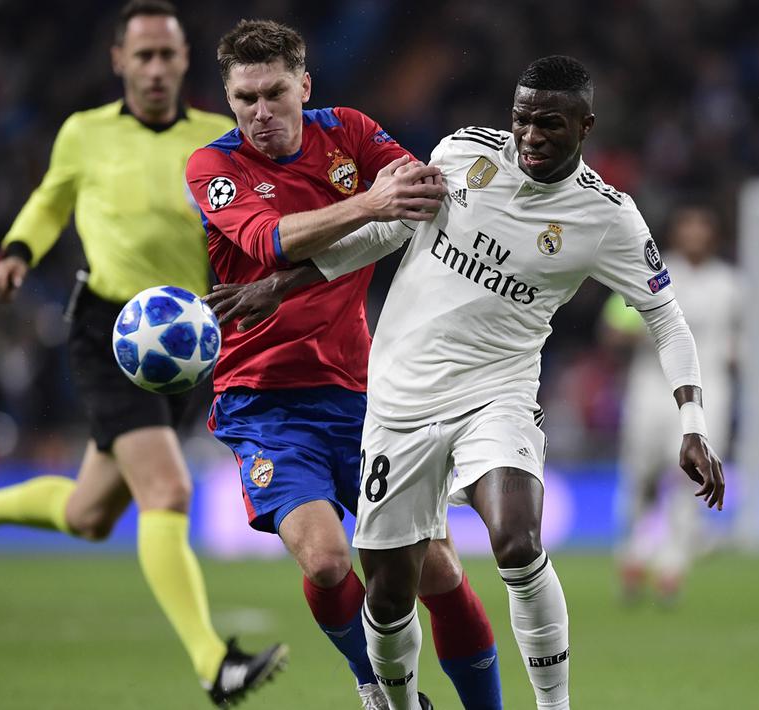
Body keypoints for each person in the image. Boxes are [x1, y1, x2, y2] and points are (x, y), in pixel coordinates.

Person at [209, 55, 726, 710]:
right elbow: (386, 229)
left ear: (584, 126)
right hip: (398, 400)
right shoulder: (460, 153)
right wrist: (281, 285)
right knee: (390, 593)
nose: (530, 136)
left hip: (497, 396)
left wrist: (693, 425)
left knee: (516, 540)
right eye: (521, 120)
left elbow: (667, 320)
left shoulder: (607, 217)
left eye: (549, 124)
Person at [0, 2, 286, 706]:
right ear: (119, 60)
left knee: (91, 514)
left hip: (190, 344)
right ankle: (215, 664)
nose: (155, 68)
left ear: (186, 62)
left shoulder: (218, 138)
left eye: (168, 55)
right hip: (108, 332)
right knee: (168, 490)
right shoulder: (84, 134)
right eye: (143, 55)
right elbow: (49, 200)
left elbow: (247, 224)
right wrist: (16, 252)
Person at [185, 20, 502, 710]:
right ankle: (381, 687)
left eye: (273, 93)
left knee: (437, 571)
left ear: (304, 85)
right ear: (228, 98)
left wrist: (390, 198)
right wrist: (367, 202)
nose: (260, 114)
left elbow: (421, 191)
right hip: (262, 399)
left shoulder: (351, 134)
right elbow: (268, 243)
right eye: (244, 99)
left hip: (366, 394)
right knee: (327, 561)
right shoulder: (212, 168)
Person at [600, 206, 739, 605]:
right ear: (676, 232)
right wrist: (636, 334)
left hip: (708, 393)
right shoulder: (652, 270)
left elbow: (742, 342)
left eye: (702, 226)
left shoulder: (730, 285)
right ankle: (633, 554)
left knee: (688, 482)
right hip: (650, 388)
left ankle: (671, 569)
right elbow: (612, 328)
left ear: (713, 234)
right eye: (688, 225)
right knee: (641, 477)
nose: (695, 233)